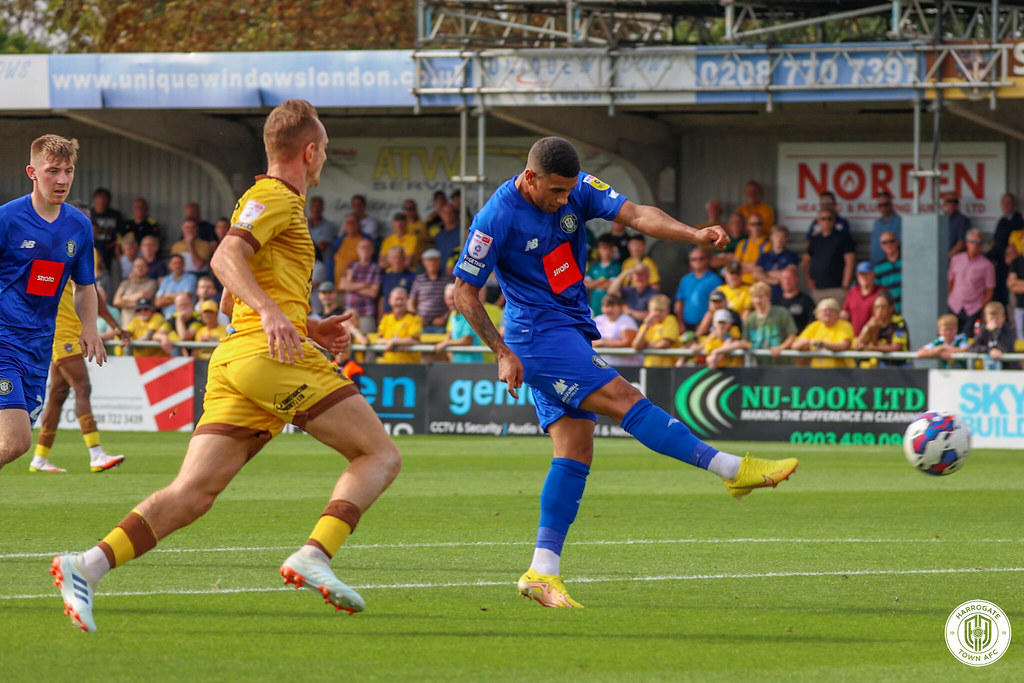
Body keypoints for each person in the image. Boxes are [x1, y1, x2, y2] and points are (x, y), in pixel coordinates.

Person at [52, 99, 402, 633]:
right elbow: (222, 260)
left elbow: (224, 301)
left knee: (192, 493)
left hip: (238, 357)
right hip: (268, 356)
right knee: (379, 454)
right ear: (310, 152)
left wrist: (304, 323)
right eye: (325, 149)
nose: (324, 157)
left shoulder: (263, 202)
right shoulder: (273, 197)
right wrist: (273, 316)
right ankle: (316, 554)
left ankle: (88, 565)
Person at [451, 136, 797, 608]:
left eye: (567, 191)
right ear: (530, 178)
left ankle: (542, 571)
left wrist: (692, 234)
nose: (561, 201)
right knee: (626, 400)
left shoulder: (575, 189)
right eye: (554, 191)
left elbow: (636, 214)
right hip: (537, 337)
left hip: (569, 327)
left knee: (575, 448)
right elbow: (464, 294)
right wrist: (500, 351)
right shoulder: (495, 218)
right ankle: (731, 469)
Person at [0, 135, 107, 473]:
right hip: (4, 342)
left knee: (10, 445)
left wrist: (89, 326)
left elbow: (85, 285)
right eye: (52, 171)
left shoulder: (79, 226)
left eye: (68, 171)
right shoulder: (7, 219)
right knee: (16, 441)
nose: (62, 180)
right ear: (32, 172)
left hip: (40, 347)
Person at [29, 282, 129, 473]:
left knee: (58, 394)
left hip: (70, 330)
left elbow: (90, 291)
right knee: (82, 386)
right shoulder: (63, 253)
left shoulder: (77, 253)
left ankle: (40, 458)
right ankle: (96, 454)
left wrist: (115, 326)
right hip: (62, 333)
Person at [717, 281, 797, 367]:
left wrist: (781, 348)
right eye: (755, 297)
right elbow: (746, 342)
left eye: (761, 297)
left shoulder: (781, 313)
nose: (758, 301)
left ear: (768, 297)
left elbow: (792, 335)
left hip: (783, 366)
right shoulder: (749, 320)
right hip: (760, 369)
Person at [802, 207, 855, 303]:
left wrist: (846, 285)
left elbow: (850, 261)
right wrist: (808, 280)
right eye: (823, 218)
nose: (826, 221)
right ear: (818, 221)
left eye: (829, 218)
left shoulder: (843, 237)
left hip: (838, 288)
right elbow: (805, 260)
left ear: (834, 220)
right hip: (818, 289)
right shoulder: (815, 239)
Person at [947, 228, 995, 333]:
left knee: (968, 338)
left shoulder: (987, 265)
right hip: (955, 305)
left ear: (981, 245)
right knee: (951, 336)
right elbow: (950, 281)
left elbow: (990, 289)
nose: (974, 244)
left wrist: (980, 307)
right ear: (966, 242)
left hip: (973, 308)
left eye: (978, 242)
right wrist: (951, 297)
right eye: (972, 241)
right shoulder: (956, 259)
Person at [790, 298, 855, 368]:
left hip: (842, 371)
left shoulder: (844, 325)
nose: (828, 313)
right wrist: (804, 342)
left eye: (831, 310)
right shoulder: (814, 326)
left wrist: (822, 344)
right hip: (818, 371)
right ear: (818, 314)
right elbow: (794, 345)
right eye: (824, 310)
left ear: (837, 313)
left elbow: (844, 345)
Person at [337, 237, 381, 334]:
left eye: (367, 247)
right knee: (346, 344)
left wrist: (351, 286)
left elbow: (373, 292)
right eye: (362, 247)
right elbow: (342, 286)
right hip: (349, 314)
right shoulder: (351, 266)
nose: (365, 249)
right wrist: (363, 285)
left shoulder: (375, 268)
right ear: (357, 250)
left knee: (367, 344)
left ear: (372, 250)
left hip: (366, 313)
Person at [853, 292, 909, 367]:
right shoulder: (873, 323)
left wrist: (869, 348)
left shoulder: (898, 322)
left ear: (890, 309)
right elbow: (857, 346)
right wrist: (867, 327)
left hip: (901, 364)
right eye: (877, 307)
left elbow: (896, 347)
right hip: (882, 364)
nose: (879, 311)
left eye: (883, 307)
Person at [674, 247, 722, 330]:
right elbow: (679, 303)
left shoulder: (715, 279)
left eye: (701, 258)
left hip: (707, 326)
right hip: (686, 325)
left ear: (707, 260)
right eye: (694, 259)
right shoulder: (685, 279)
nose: (698, 261)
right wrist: (680, 323)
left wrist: (705, 325)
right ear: (690, 262)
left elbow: (718, 304)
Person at [434, 283, 484, 362]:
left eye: (453, 298)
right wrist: (453, 359)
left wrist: (446, 344)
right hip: (458, 365)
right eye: (448, 299)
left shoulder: (469, 313)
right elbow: (448, 336)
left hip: (473, 364)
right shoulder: (452, 315)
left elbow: (467, 340)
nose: (451, 302)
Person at [989, 192, 1023, 306]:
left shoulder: (1018, 220)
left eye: (1009, 202)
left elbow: (1014, 250)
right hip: (1000, 265)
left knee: (1012, 296)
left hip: (1014, 267)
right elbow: (996, 241)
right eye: (1004, 202)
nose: (1006, 205)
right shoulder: (1002, 220)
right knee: (1001, 294)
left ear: (1014, 204)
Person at [409, 247, 452, 333]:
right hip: (422, 323)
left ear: (439, 261)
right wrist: (417, 317)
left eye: (435, 260)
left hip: (442, 324)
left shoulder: (448, 279)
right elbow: (410, 302)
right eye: (429, 260)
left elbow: (454, 302)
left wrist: (444, 317)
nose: (432, 263)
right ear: (423, 262)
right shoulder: (419, 279)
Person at [630, 294, 679, 368]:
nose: (657, 313)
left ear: (668, 311)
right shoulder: (647, 324)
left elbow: (665, 344)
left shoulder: (670, 319)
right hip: (649, 367)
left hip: (667, 368)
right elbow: (636, 346)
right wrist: (646, 327)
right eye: (655, 310)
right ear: (649, 310)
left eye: (661, 310)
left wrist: (647, 346)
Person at [591, 292, 639, 366]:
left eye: (612, 306)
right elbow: (591, 341)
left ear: (620, 307)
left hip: (627, 366)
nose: (609, 310)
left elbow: (627, 343)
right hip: (605, 366)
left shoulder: (626, 320)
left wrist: (603, 342)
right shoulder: (598, 320)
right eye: (607, 306)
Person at [377, 286, 422, 363]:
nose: (399, 302)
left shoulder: (414, 318)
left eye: (402, 299)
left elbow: (415, 340)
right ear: (390, 301)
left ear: (406, 301)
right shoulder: (386, 318)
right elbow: (379, 340)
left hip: (410, 365)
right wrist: (396, 342)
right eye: (397, 299)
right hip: (389, 364)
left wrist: (394, 342)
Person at [967, 300, 1017, 370]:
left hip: (1009, 369)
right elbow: (973, 347)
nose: (994, 321)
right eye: (992, 318)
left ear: (1003, 318)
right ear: (986, 318)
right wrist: (989, 350)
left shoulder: (1009, 329)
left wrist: (995, 331)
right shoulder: (983, 330)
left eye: (997, 318)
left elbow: (1006, 346)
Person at [753, 224, 799, 299]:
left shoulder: (791, 255)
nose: (779, 239)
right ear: (771, 237)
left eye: (782, 236)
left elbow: (790, 274)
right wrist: (771, 280)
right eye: (777, 236)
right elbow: (756, 274)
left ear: (786, 239)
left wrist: (767, 273)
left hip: (785, 296)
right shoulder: (764, 256)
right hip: (767, 296)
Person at [841, 262, 886, 336]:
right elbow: (845, 312)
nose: (864, 277)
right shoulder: (853, 291)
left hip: (875, 337)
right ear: (857, 276)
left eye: (867, 274)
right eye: (861, 274)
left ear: (873, 275)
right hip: (854, 338)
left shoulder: (881, 291)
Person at [154, 291, 201, 356]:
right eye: (180, 305)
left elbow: (184, 337)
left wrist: (179, 319)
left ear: (192, 304)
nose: (183, 308)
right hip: (182, 356)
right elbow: (155, 335)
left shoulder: (198, 317)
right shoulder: (173, 317)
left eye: (186, 304)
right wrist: (163, 338)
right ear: (176, 307)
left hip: (198, 355)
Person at [585, 233, 622, 315]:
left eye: (607, 248)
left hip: (610, 305)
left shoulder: (616, 266)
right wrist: (604, 281)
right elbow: (586, 284)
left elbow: (612, 284)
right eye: (602, 248)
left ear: (612, 250)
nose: (605, 251)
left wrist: (594, 283)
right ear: (598, 250)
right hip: (594, 303)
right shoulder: (593, 267)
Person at [772, 265, 816, 333]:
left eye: (790, 278)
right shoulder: (775, 301)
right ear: (781, 281)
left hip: (800, 338)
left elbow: (813, 322)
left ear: (796, 280)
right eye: (785, 278)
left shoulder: (806, 300)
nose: (787, 281)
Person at [154, 253, 198, 318]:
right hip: (168, 318)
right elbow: (157, 303)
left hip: (186, 317)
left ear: (184, 264)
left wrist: (168, 295)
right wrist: (180, 300)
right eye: (175, 263)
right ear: (169, 265)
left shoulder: (191, 278)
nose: (177, 266)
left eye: (180, 263)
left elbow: (187, 295)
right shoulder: (165, 280)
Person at [90, 187, 122, 269]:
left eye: (104, 197)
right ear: (95, 199)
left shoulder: (115, 215)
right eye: (99, 197)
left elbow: (120, 235)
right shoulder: (89, 214)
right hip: (93, 245)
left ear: (108, 200)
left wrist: (116, 246)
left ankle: (102, 273)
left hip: (110, 246)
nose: (102, 200)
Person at [734, 212, 769, 285]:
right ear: (748, 226)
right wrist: (755, 267)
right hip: (741, 285)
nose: (756, 227)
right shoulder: (742, 243)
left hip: (760, 285)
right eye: (752, 224)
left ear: (763, 225)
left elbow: (765, 268)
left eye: (758, 224)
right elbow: (736, 266)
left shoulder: (768, 244)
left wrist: (743, 264)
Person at [329, 213, 363, 287]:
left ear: (358, 224)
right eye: (348, 222)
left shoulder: (365, 240)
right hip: (337, 287)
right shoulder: (339, 241)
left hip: (355, 288)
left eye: (353, 222)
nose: (350, 225)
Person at [873, 231, 902, 313]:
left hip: (908, 306)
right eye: (884, 243)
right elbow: (878, 291)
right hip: (889, 310)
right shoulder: (879, 267)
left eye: (891, 241)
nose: (888, 245)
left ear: (897, 242)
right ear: (881, 246)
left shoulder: (907, 262)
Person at [869, 192, 901, 265]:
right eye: (880, 205)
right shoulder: (877, 223)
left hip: (890, 266)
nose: (883, 207)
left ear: (891, 205)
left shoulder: (898, 222)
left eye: (886, 204)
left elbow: (900, 246)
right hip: (875, 264)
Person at [943, 193, 971, 258]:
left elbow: (962, 243)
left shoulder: (962, 220)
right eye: (949, 201)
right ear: (944, 203)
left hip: (955, 258)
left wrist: (947, 257)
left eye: (955, 201)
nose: (953, 204)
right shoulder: (941, 219)